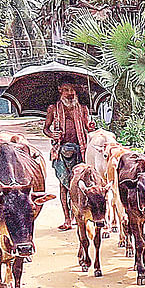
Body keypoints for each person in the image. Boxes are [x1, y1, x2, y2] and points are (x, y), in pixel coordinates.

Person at [44, 81, 96, 230]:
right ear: (60, 90)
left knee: (82, 182)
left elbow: (88, 128)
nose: (69, 93)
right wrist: (51, 134)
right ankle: (67, 218)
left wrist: (90, 127)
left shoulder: (83, 109)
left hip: (81, 149)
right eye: (66, 90)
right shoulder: (53, 109)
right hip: (61, 150)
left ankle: (79, 214)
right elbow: (46, 129)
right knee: (64, 184)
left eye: (72, 89)